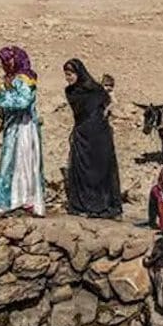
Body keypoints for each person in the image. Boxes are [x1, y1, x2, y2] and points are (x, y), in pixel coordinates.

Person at [0, 46, 45, 217]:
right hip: (11, 129)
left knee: (24, 163)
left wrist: (2, 93)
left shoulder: (26, 79)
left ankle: (27, 200)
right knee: (10, 163)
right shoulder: (6, 79)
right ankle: (10, 201)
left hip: (25, 128)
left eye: (7, 61)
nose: (4, 65)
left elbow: (23, 102)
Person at [64, 59, 123, 219]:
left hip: (99, 134)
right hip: (82, 134)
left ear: (79, 73)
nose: (68, 78)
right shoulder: (70, 91)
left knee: (100, 168)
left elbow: (106, 101)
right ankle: (84, 205)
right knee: (82, 169)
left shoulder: (95, 89)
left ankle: (103, 206)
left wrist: (105, 113)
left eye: (70, 74)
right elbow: (79, 111)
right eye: (66, 75)